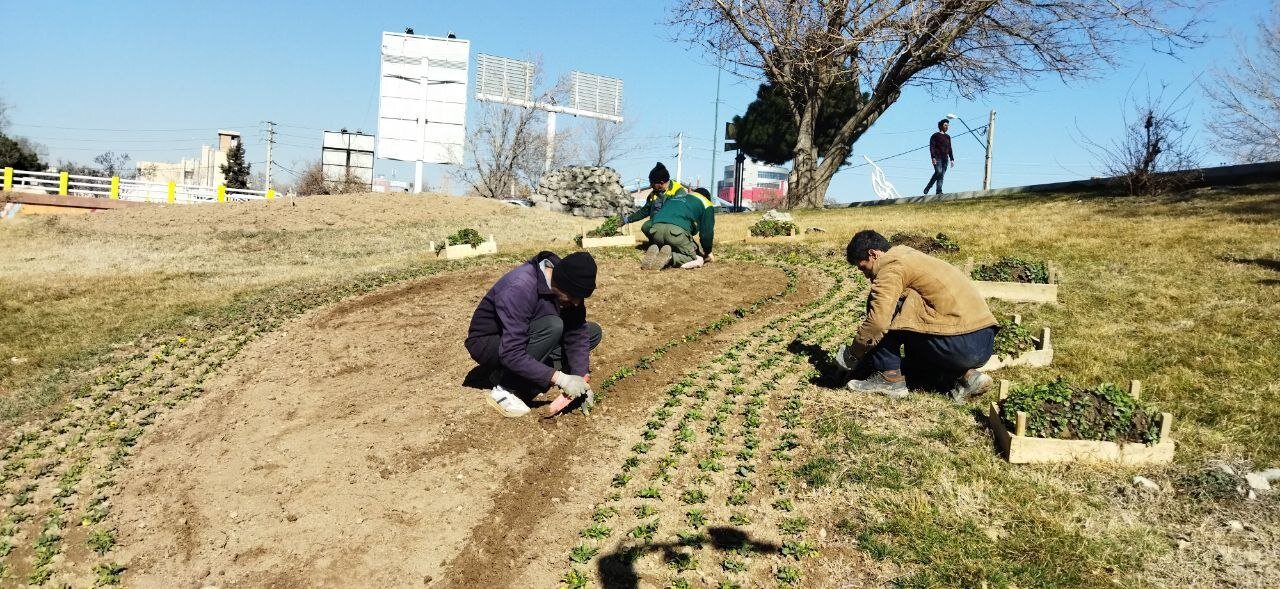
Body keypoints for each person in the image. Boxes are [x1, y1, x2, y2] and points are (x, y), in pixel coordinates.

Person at [834, 230, 996, 403]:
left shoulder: (890, 267)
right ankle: (968, 376)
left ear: (873, 254)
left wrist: (852, 355)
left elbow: (878, 323)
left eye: (863, 268)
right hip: (983, 341)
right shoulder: (910, 256)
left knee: (884, 305)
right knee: (915, 317)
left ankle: (888, 378)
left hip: (960, 343)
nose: (866, 275)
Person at [465, 251, 603, 417]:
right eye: (573, 296)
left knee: (591, 332)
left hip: (529, 333)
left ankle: (532, 373)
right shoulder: (519, 287)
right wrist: (562, 380)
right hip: (491, 343)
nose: (576, 302)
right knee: (553, 326)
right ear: (561, 283)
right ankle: (507, 386)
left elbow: (577, 332)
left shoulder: (569, 284)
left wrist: (580, 378)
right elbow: (511, 352)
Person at [640, 185, 716, 270]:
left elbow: (646, 226)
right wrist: (708, 252)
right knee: (693, 257)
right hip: (676, 233)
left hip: (656, 231)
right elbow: (706, 233)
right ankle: (670, 257)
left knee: (669, 245)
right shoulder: (706, 203)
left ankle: (657, 251)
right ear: (706, 198)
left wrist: (652, 239)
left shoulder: (674, 198)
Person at [622, 162, 687, 242]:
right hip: (658, 223)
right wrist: (627, 220)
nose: (650, 185)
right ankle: (658, 243)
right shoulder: (653, 194)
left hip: (674, 224)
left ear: (661, 183)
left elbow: (678, 213)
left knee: (667, 231)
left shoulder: (678, 192)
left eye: (652, 183)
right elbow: (644, 211)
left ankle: (670, 243)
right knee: (646, 226)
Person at [923, 118, 955, 195]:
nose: (947, 127)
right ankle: (928, 186)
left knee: (941, 175)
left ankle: (939, 191)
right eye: (945, 125)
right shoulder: (935, 136)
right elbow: (932, 147)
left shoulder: (948, 137)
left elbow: (950, 148)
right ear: (941, 126)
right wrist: (933, 157)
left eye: (948, 125)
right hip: (937, 157)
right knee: (938, 172)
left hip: (945, 159)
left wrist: (952, 159)